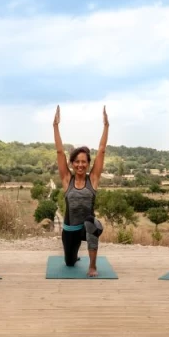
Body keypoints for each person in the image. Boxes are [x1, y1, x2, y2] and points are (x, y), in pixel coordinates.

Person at [53, 105, 109, 277]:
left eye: (84, 162)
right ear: (72, 163)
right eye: (76, 161)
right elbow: (60, 151)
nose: (80, 165)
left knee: (92, 224)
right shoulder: (66, 180)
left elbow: (101, 150)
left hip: (87, 227)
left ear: (88, 164)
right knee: (69, 262)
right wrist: (55, 126)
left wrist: (106, 126)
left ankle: (92, 266)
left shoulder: (92, 180)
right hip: (70, 229)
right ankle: (73, 255)